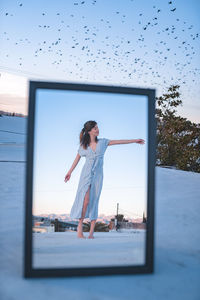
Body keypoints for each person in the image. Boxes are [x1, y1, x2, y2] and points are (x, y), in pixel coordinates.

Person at [64, 120, 145, 239]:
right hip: (85, 174)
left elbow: (119, 142)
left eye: (97, 127)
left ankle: (91, 232)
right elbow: (77, 159)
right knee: (84, 200)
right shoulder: (84, 145)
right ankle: (80, 228)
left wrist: (134, 140)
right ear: (89, 131)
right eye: (95, 128)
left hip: (98, 175)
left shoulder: (103, 142)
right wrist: (69, 172)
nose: (97, 129)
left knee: (94, 200)